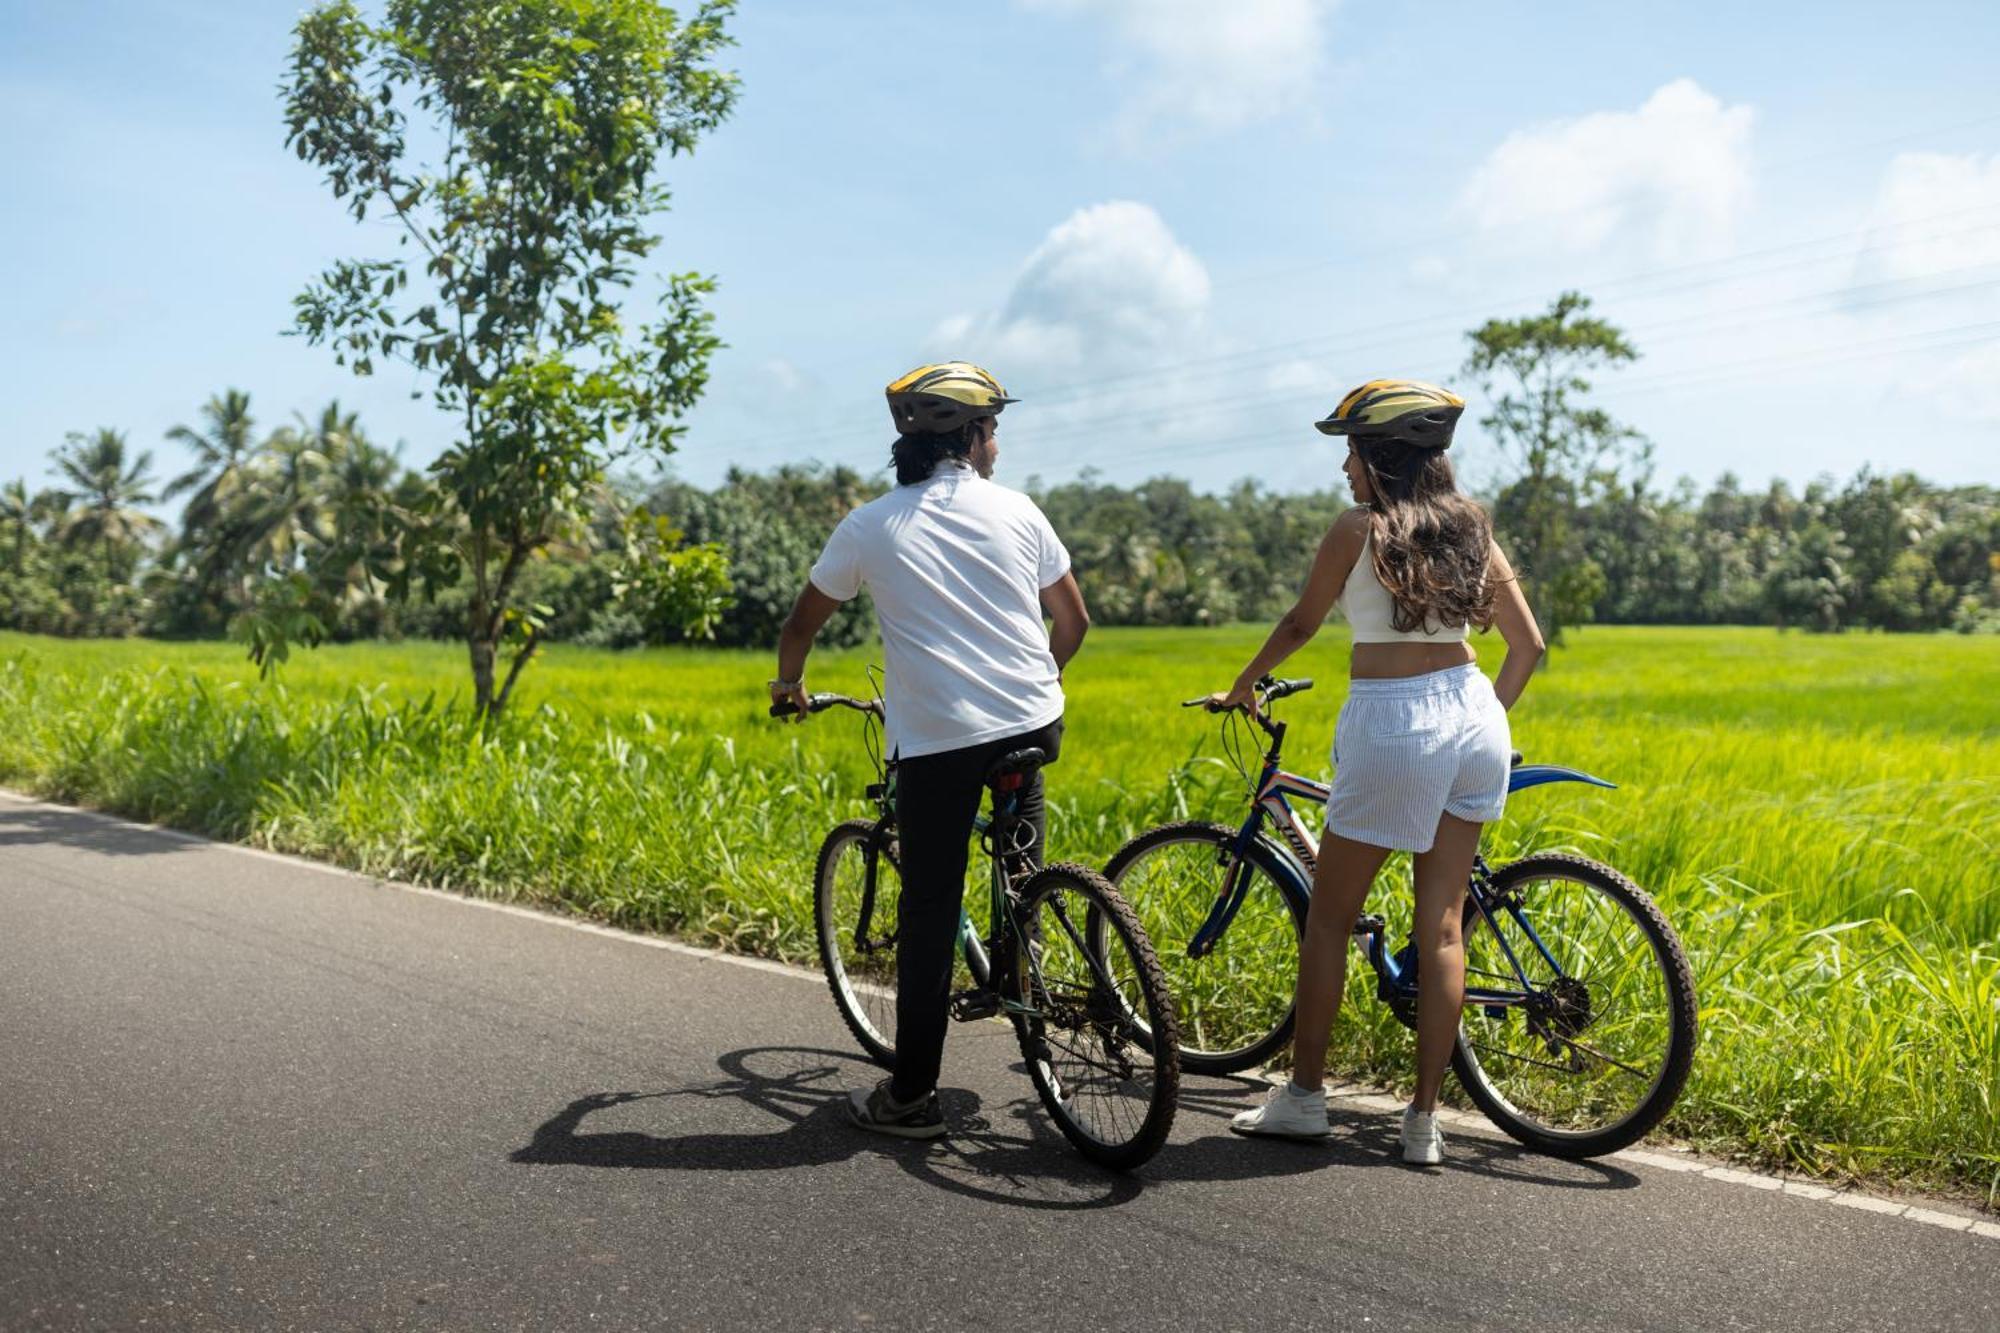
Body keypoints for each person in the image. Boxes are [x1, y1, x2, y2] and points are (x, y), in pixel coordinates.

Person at [1212, 378, 1544, 1164]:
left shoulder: (1357, 528)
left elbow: (1300, 622)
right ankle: (1423, 1121)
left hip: (1395, 720)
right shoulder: (1474, 529)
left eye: (1351, 452)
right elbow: (1526, 647)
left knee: (1329, 918)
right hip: (1473, 715)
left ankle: (1304, 1098)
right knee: (1443, 926)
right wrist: (1483, 719)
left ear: (1379, 457)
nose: (1344, 470)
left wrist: (1243, 682)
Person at [772, 361, 1091, 1139]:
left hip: (940, 744)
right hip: (1032, 722)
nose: (997, 444)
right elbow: (1074, 623)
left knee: (928, 908)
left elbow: (800, 626)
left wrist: (789, 686)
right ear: (976, 438)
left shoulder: (869, 524)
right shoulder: (1019, 511)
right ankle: (1030, 978)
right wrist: (1024, 689)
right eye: (994, 431)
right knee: (1020, 859)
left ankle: (911, 1096)